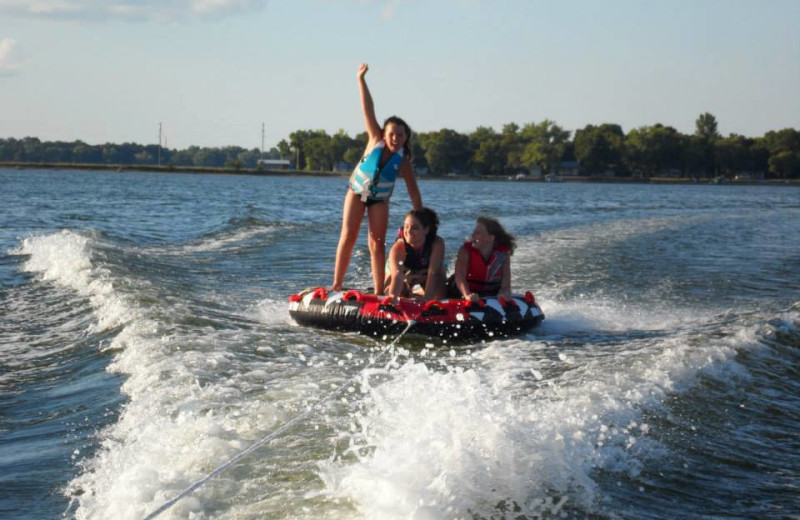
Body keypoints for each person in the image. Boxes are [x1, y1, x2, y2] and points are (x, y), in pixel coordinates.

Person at [331, 63, 422, 295]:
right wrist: (360, 79)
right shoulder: (374, 138)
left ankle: (380, 291)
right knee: (348, 237)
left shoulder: (403, 160)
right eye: (391, 134)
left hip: (379, 201)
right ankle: (337, 284)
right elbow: (368, 108)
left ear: (405, 137)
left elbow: (413, 190)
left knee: (376, 244)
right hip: (356, 193)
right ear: (384, 134)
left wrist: (420, 215)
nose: (395, 138)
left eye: (400, 135)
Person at [385, 208, 446, 300]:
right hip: (403, 272)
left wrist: (426, 299)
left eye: (415, 228)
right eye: (406, 227)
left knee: (439, 296)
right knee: (392, 292)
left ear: (426, 230)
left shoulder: (437, 243)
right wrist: (393, 297)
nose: (409, 231)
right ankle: (408, 291)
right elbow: (397, 276)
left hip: (427, 272)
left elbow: (433, 273)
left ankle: (418, 293)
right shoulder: (398, 247)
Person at [451, 217, 516, 301]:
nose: (473, 235)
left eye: (478, 233)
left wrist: (504, 293)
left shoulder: (503, 253)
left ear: (490, 238)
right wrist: (467, 295)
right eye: (473, 232)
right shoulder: (465, 251)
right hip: (464, 292)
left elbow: (506, 284)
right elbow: (459, 276)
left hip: (491, 293)